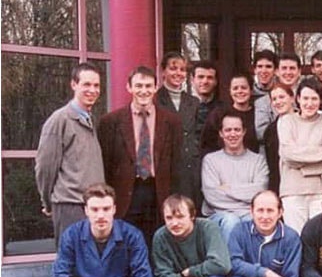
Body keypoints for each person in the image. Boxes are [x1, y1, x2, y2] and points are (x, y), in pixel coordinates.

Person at [98, 66, 182, 244]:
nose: (143, 91)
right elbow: (106, 164)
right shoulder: (110, 122)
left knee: (156, 243)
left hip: (159, 191)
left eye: (148, 86)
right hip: (126, 192)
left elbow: (177, 162)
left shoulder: (171, 121)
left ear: (155, 87)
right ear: (129, 87)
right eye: (138, 86)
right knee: (125, 243)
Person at [35, 62, 105, 247]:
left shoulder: (90, 120)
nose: (92, 90)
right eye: (86, 84)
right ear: (74, 85)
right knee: (72, 266)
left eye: (96, 85)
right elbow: (45, 167)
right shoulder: (59, 120)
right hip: (70, 207)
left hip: (92, 207)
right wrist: (47, 201)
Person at [278, 77, 322, 234]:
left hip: (320, 190)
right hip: (292, 190)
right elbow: (287, 155)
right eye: (305, 98)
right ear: (297, 99)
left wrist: (302, 166)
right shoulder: (286, 121)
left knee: (319, 238)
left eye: (314, 98)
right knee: (296, 237)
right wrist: (318, 152)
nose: (309, 103)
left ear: (320, 100)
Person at [201, 112, 269, 241]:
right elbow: (212, 196)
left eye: (237, 130)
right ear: (221, 133)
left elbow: (260, 192)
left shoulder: (258, 160)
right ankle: (229, 261)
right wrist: (245, 195)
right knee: (231, 221)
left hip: (249, 213)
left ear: (244, 132)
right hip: (219, 215)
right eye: (228, 130)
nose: (233, 134)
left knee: (253, 220)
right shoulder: (210, 160)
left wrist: (227, 188)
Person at [155, 52, 202, 208]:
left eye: (182, 70)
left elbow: (197, 132)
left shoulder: (193, 102)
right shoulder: (154, 100)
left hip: (189, 167)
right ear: (163, 71)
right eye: (173, 68)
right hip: (166, 167)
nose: (178, 73)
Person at [200, 72, 259, 156]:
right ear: (230, 91)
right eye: (235, 88)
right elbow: (206, 144)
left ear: (251, 90)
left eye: (244, 88)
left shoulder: (258, 113)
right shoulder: (218, 114)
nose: (240, 91)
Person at [255, 53, 302, 140]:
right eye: (284, 68)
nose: (288, 72)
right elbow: (261, 133)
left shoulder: (306, 99)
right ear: (277, 72)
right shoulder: (263, 103)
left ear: (299, 72)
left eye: (292, 68)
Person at [262, 85, 297, 192]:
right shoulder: (270, 130)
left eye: (281, 97)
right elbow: (271, 163)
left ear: (292, 98)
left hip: (303, 181)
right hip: (280, 183)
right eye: (274, 99)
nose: (278, 102)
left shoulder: (304, 121)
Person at [190, 60, 222, 131]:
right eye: (201, 77)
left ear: (215, 81)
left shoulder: (223, 110)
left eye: (210, 77)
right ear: (192, 80)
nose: (205, 81)